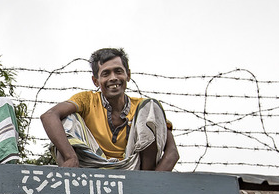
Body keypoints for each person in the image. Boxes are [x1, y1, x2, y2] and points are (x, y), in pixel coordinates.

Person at [40, 48, 178, 171]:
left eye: (118, 71)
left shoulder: (141, 108)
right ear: (96, 81)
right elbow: (49, 115)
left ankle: (146, 177)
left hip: (133, 169)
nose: (113, 78)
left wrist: (153, 184)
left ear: (128, 75)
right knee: (68, 118)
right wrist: (70, 157)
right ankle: (73, 176)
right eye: (106, 74)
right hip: (92, 166)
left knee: (151, 106)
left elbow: (172, 153)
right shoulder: (87, 100)